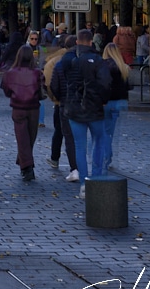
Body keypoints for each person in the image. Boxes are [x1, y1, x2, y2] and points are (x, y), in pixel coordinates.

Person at [59, 29, 110, 184]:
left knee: (79, 146)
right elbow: (106, 84)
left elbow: (60, 80)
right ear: (90, 42)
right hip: (94, 108)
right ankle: (96, 178)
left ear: (77, 42)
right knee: (99, 142)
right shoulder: (98, 60)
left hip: (74, 107)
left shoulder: (69, 60)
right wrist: (103, 100)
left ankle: (83, 183)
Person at [1, 46, 43, 181]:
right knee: (30, 137)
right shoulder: (37, 73)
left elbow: (7, 91)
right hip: (33, 107)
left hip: (18, 107)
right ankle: (27, 166)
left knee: (23, 138)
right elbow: (42, 90)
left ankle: (25, 164)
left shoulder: (10, 73)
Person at [44, 39, 78, 176]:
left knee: (60, 131)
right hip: (77, 102)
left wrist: (55, 98)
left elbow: (50, 83)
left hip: (61, 102)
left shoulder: (55, 62)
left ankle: (55, 158)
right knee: (75, 135)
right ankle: (76, 165)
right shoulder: (78, 59)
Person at [100, 42, 131, 170]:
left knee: (105, 132)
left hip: (107, 102)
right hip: (120, 102)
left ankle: (106, 157)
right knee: (112, 132)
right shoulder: (123, 67)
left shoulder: (103, 66)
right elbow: (127, 86)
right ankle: (109, 156)